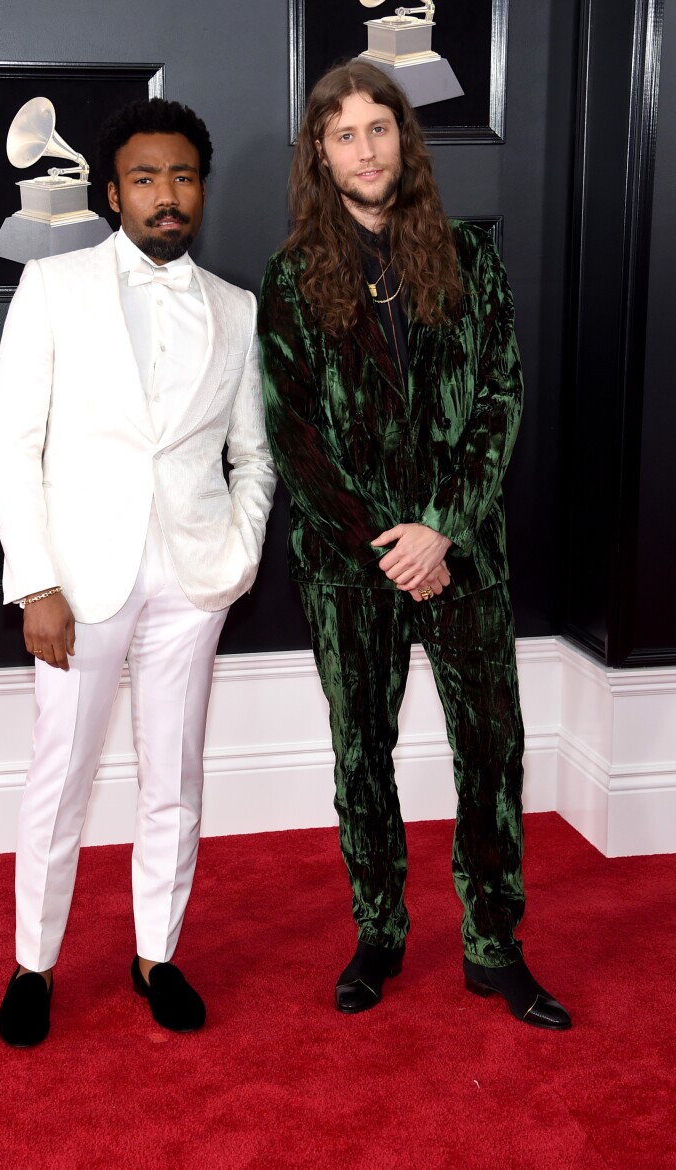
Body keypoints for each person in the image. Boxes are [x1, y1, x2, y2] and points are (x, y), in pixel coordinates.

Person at [258, 61, 570, 1030]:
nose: (364, 149)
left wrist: (441, 528)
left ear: (405, 138)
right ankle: (379, 933)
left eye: (378, 129)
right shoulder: (290, 278)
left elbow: (500, 400)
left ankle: (492, 945)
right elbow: (293, 436)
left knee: (492, 749)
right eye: (343, 134)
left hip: (464, 549)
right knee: (363, 753)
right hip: (350, 568)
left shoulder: (470, 258)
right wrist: (386, 547)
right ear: (321, 152)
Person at [0, 97, 276, 1045]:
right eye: (147, 179)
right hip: (76, 581)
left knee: (175, 778)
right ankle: (34, 963)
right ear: (112, 194)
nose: (167, 196)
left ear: (201, 190)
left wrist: (236, 559)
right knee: (59, 776)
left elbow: (255, 455)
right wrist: (35, 582)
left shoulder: (237, 310)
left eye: (183, 178)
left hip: (192, 581)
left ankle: (157, 954)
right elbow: (13, 442)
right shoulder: (53, 288)